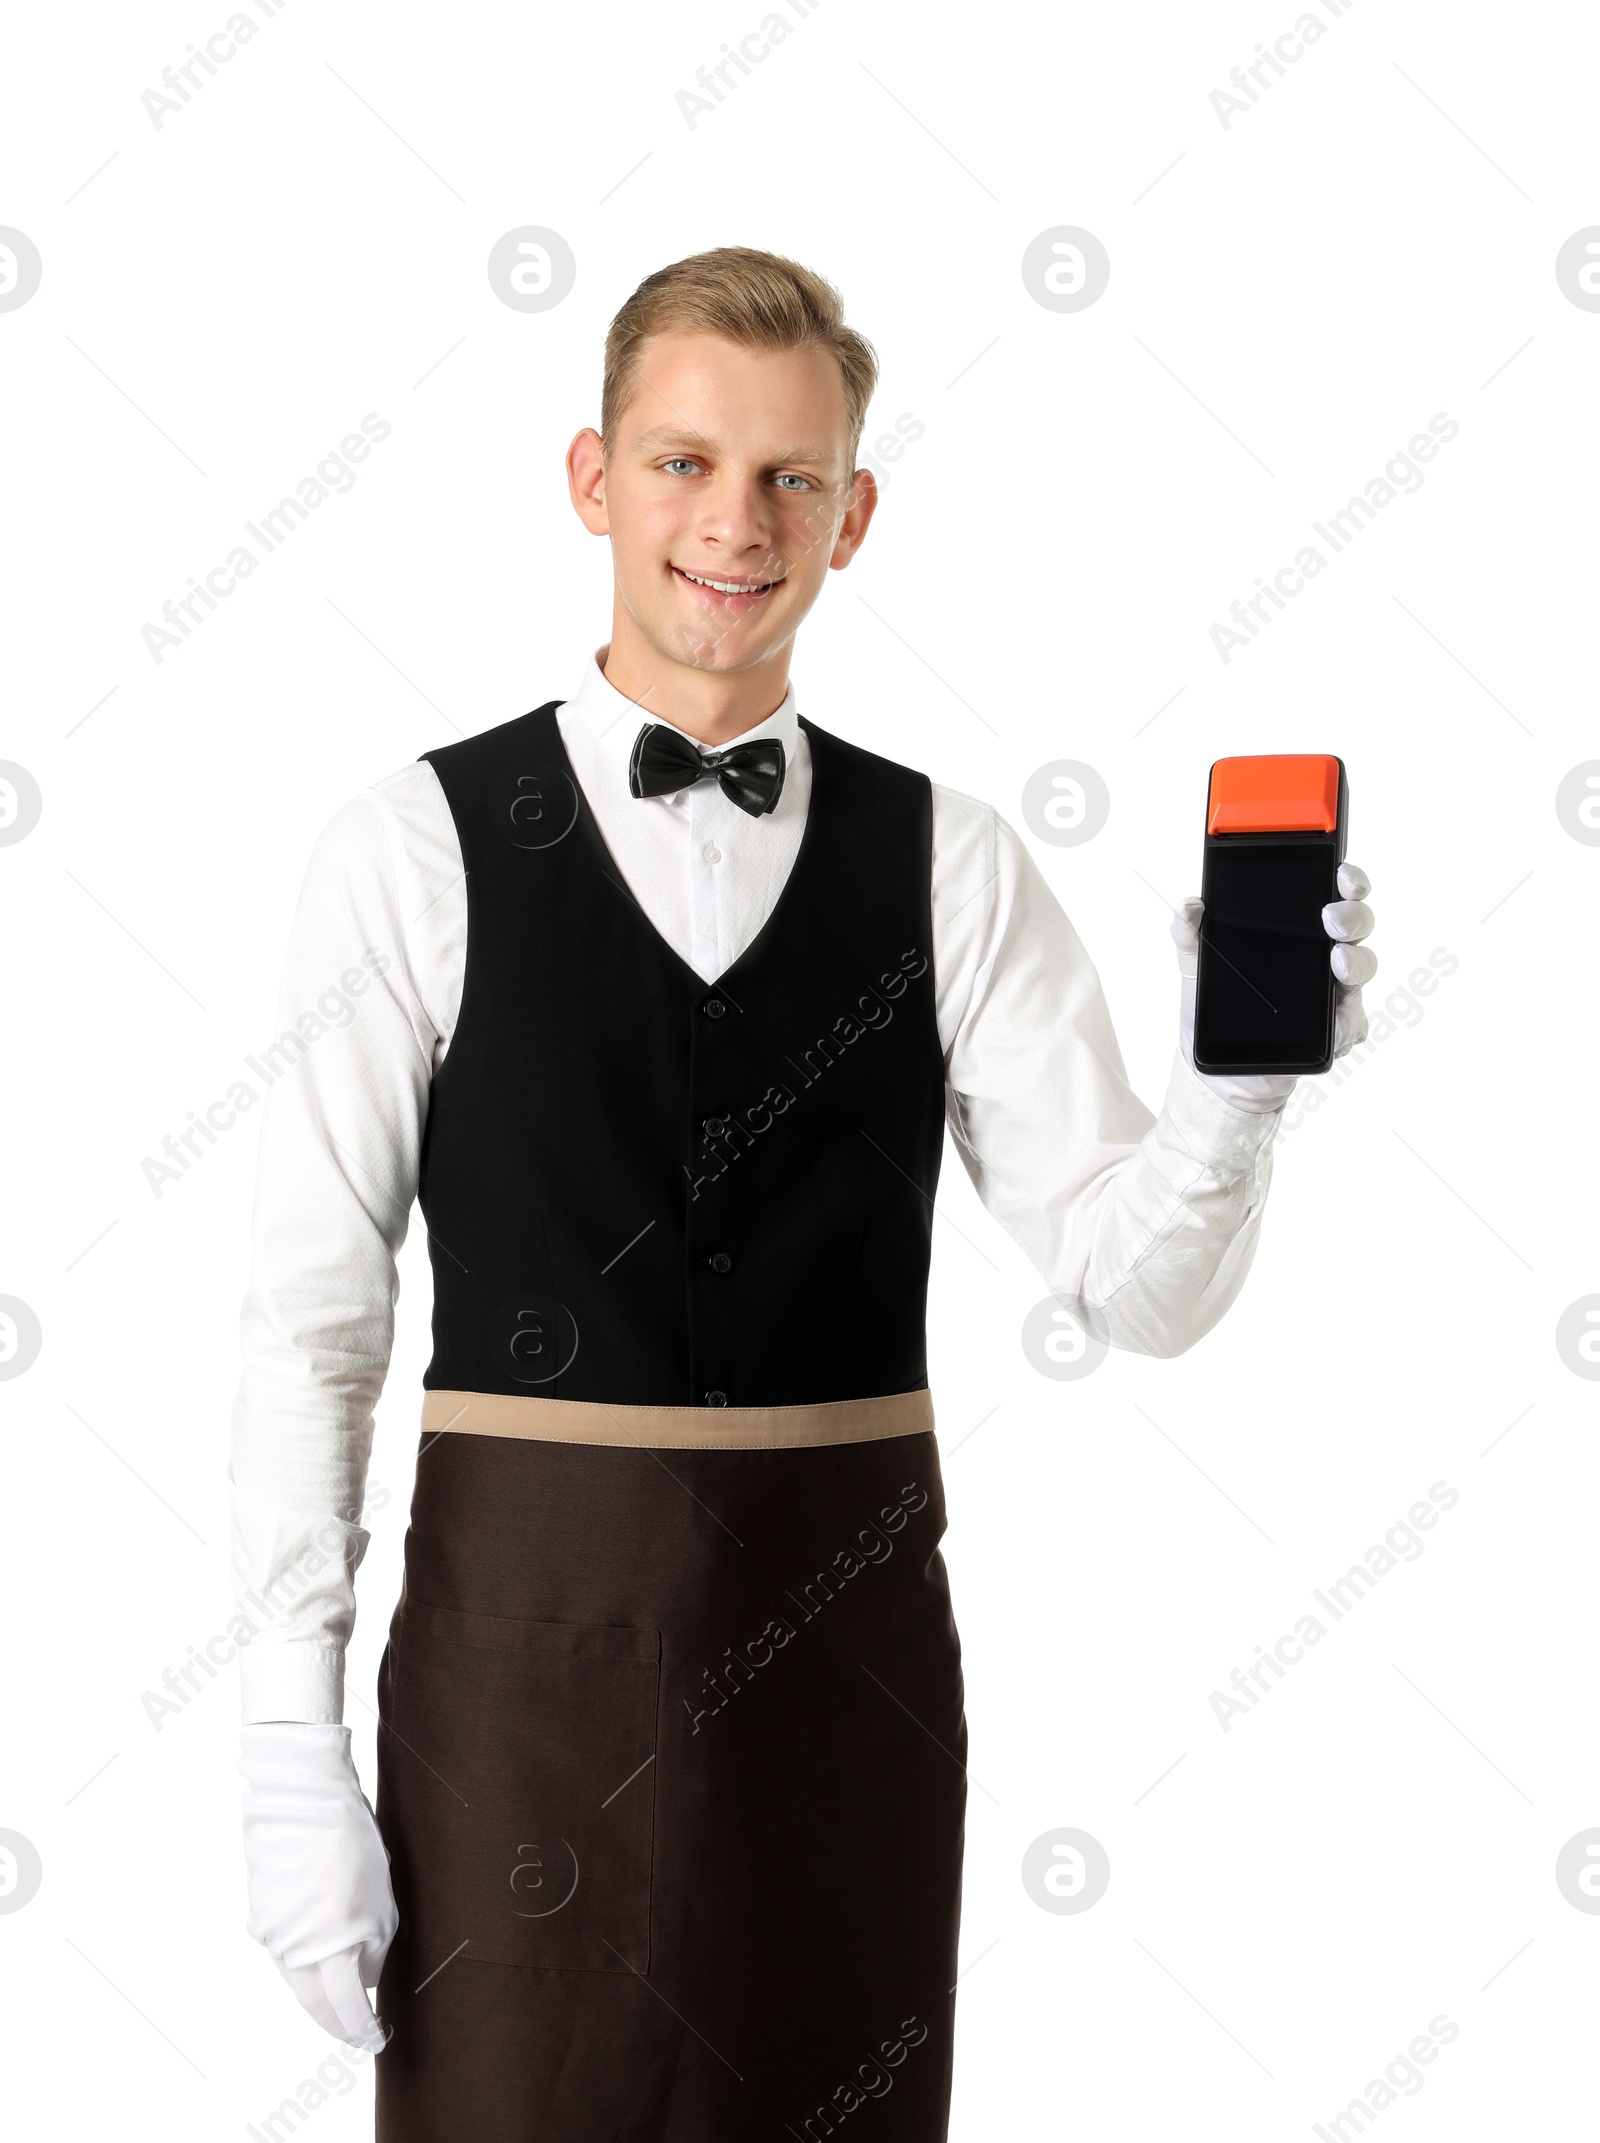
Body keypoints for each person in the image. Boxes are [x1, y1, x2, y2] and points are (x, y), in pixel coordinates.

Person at [231, 246, 1376, 2140]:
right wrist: (288, 1747)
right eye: (684, 465)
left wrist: (1236, 1097)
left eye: (791, 479)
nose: (734, 527)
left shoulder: (956, 864)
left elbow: (1136, 1285)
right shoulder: (407, 852)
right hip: (515, 1690)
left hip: (846, 1695)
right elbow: (310, 1326)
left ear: (855, 514)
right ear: (592, 479)